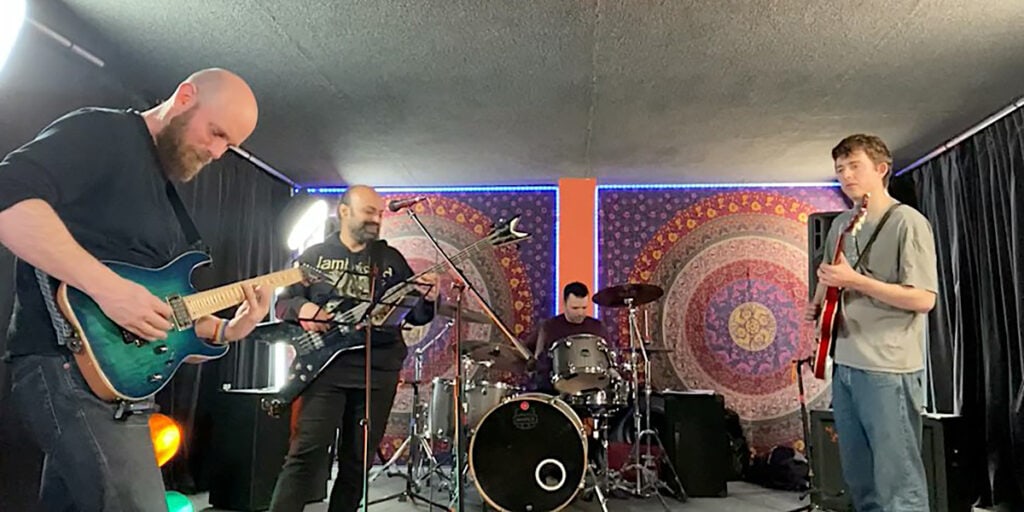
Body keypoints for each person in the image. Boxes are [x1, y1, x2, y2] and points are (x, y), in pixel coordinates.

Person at [0, 68, 272, 511]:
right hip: (66, 365)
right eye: (216, 133)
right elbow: (7, 196)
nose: (217, 152)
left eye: (230, 145)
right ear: (184, 97)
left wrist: (226, 332)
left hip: (119, 382)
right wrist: (108, 289)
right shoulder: (103, 131)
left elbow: (160, 322)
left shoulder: (164, 196)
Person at [268, 185, 439, 512]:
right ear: (344, 212)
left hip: (378, 370)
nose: (377, 219)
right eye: (369, 212)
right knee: (306, 453)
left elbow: (413, 315)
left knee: (358, 461)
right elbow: (283, 303)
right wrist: (302, 309)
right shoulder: (314, 256)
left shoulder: (390, 259)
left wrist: (427, 302)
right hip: (326, 370)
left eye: (379, 213)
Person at [806, 133, 938, 511]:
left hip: (888, 367)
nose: (845, 175)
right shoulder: (842, 224)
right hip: (845, 363)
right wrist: (815, 305)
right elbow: (831, 274)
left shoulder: (908, 222)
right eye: (839, 169)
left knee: (898, 480)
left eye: (854, 166)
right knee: (860, 478)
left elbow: (923, 299)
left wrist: (856, 282)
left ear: (881, 169)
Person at [527, 281, 610, 395]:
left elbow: (610, 358)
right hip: (554, 390)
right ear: (564, 304)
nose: (580, 313)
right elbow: (527, 355)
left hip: (592, 390)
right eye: (575, 308)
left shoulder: (597, 327)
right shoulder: (548, 327)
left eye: (584, 307)